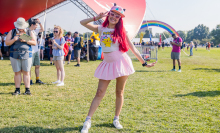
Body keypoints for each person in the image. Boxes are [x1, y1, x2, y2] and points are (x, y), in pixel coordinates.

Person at [80, 4, 156, 133]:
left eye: (117, 16)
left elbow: (132, 48)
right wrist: (95, 17)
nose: (114, 17)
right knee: (99, 92)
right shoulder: (101, 28)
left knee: (119, 92)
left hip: (121, 63)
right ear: (108, 15)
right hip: (107, 64)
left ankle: (116, 119)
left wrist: (144, 63)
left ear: (120, 19)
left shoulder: (121, 31)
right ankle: (87, 121)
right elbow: (82, 22)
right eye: (113, 14)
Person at [5, 17, 36, 95]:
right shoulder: (12, 32)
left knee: (26, 72)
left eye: (22, 27)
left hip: (26, 53)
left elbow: (34, 43)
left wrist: (26, 40)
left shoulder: (29, 32)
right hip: (14, 54)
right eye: (19, 27)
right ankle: (17, 90)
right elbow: (7, 43)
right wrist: (13, 40)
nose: (21, 29)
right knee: (17, 72)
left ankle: (27, 90)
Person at [28, 18, 45, 85]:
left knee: (37, 65)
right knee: (29, 67)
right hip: (30, 51)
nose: (37, 26)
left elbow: (42, 29)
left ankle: (37, 79)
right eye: (36, 25)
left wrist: (40, 22)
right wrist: (32, 41)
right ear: (32, 24)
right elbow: (23, 39)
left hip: (36, 51)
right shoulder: (26, 31)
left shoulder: (35, 31)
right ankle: (29, 80)